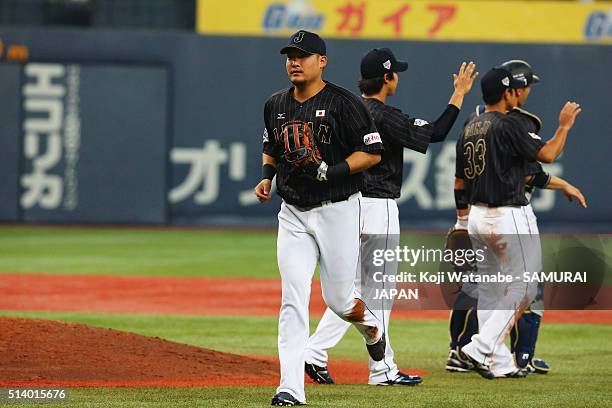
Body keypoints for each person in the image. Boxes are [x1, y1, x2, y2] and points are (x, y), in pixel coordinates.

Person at [303, 48, 478, 386]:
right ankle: (382, 369)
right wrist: (459, 94)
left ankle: (314, 352)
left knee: (353, 291)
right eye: (395, 72)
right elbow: (437, 132)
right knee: (378, 291)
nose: (397, 77)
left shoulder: (345, 110)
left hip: (345, 206)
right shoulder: (382, 114)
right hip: (376, 206)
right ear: (387, 78)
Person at [254, 30, 386, 406]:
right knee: (293, 299)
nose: (294, 62)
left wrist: (333, 169)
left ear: (321, 61)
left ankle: (371, 328)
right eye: (290, 56)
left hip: (338, 209)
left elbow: (372, 153)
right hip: (293, 212)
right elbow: (271, 146)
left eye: (303, 55)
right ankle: (290, 389)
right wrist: (266, 178)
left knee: (341, 300)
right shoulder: (275, 103)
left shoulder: (344, 103)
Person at [445, 61, 586, 375]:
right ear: (508, 92)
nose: (523, 93)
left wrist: (463, 220)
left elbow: (459, 182)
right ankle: (480, 348)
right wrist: (563, 126)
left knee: (492, 290)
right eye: (519, 89)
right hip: (508, 213)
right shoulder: (509, 123)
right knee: (523, 288)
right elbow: (547, 155)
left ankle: (499, 362)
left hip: (478, 215)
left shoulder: (471, 125)